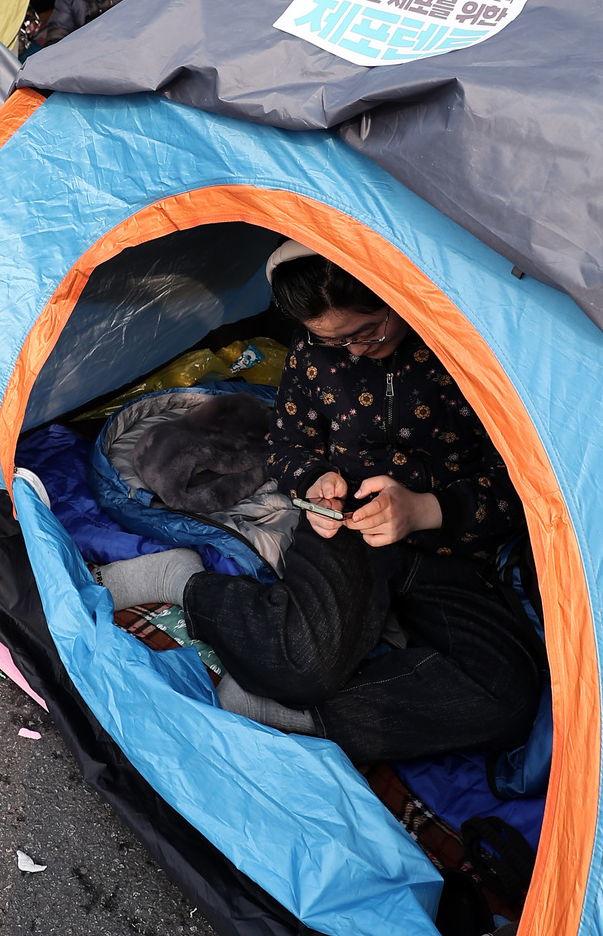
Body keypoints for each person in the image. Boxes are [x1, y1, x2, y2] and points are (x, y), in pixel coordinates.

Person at [93, 242, 546, 764]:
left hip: (455, 548)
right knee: (303, 662)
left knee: (506, 698)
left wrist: (426, 510)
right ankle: (181, 580)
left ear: (398, 293)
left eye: (367, 331)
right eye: (333, 340)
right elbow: (287, 446)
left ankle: (298, 716)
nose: (354, 351)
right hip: (348, 523)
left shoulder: (473, 357)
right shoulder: (315, 354)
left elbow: (529, 486)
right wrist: (314, 479)